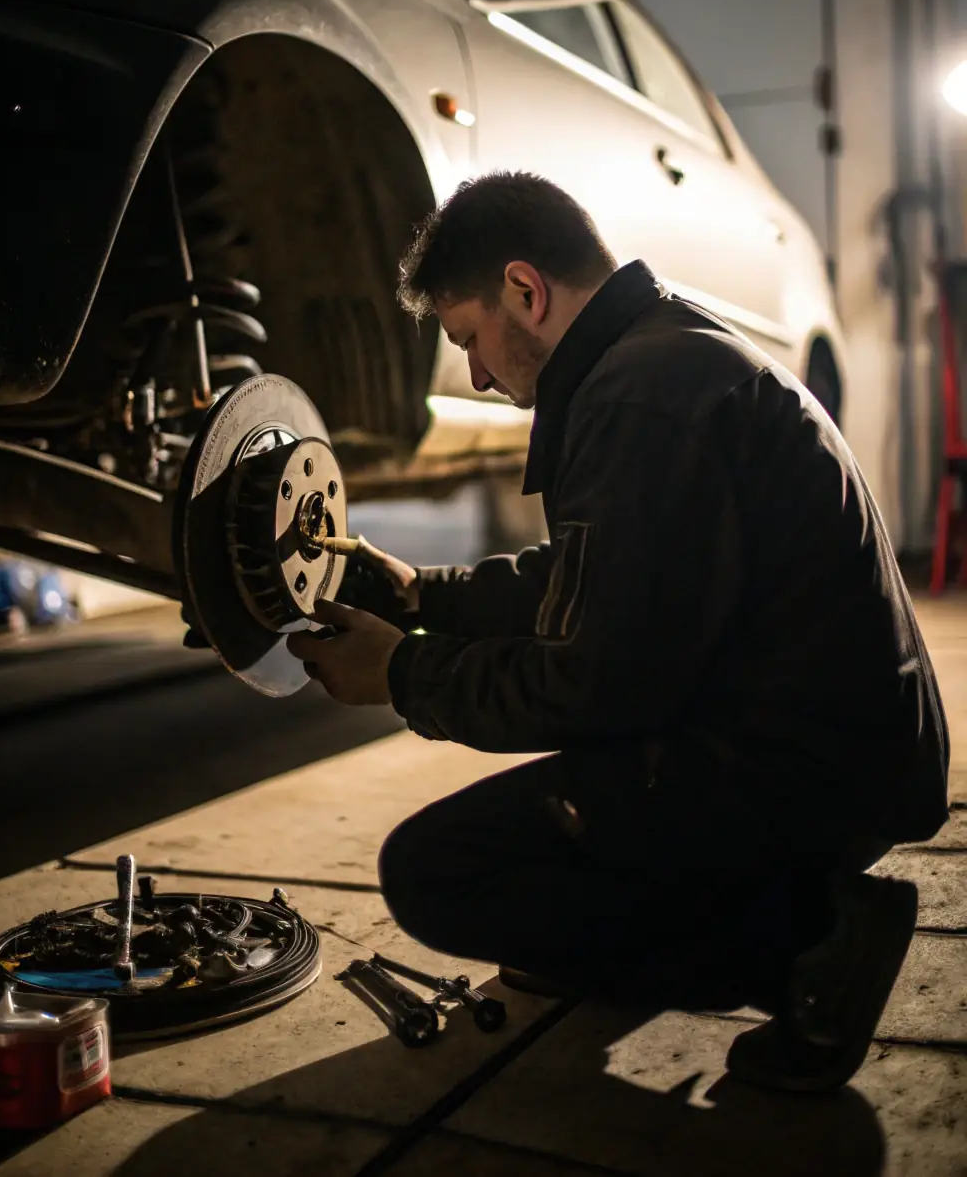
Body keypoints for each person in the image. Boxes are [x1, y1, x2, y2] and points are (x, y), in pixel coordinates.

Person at [288, 171, 950, 1092]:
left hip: (805, 773)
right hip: (836, 747)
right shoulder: (662, 353)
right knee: (547, 859)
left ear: (525, 289)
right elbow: (595, 582)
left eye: (470, 338)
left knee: (438, 873)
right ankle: (681, 926)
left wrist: (403, 676)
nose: (477, 373)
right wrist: (422, 594)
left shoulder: (637, 401)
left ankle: (807, 946)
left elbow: (595, 684)